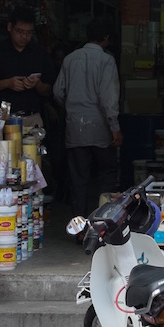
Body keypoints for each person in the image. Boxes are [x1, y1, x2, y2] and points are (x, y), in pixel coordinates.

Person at [53, 17, 122, 217]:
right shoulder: (106, 60)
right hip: (101, 128)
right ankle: (104, 221)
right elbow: (108, 97)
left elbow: (58, 92)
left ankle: (80, 227)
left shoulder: (70, 59)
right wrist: (115, 126)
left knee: (78, 179)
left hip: (75, 128)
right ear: (106, 38)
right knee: (107, 175)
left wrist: (73, 107)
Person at [0, 6, 56, 120]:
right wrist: (7, 83)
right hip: (1, 118)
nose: (24, 37)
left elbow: (49, 91)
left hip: (31, 118)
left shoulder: (40, 53)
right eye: (20, 31)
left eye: (29, 33)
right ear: (10, 27)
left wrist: (37, 84)